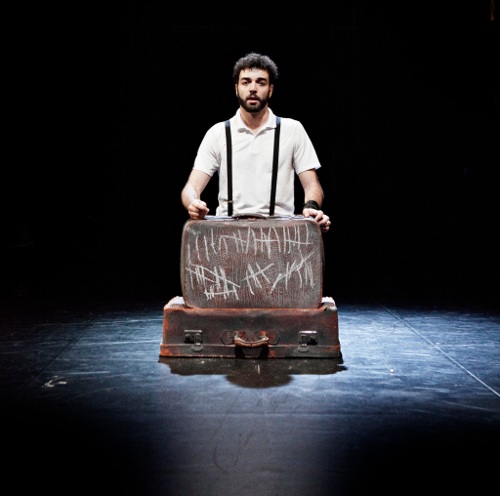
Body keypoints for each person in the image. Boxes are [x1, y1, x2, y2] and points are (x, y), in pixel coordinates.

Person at [181, 52, 331, 233]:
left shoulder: (292, 130)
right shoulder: (218, 133)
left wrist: (312, 207)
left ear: (271, 89)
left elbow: (312, 185)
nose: (253, 88)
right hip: (229, 235)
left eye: (261, 82)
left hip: (280, 235)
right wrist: (193, 203)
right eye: (246, 82)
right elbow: (192, 187)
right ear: (236, 89)